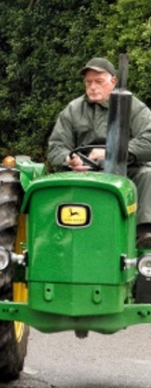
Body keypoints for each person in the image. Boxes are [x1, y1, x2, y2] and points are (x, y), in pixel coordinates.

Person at [47, 57, 151, 247]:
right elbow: (56, 145)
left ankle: (144, 235)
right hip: (85, 172)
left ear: (113, 81)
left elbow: (149, 140)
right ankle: (54, 238)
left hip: (127, 171)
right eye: (89, 82)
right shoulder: (73, 110)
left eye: (99, 81)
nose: (93, 87)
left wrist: (112, 153)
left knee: (147, 174)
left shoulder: (134, 108)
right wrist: (69, 159)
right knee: (50, 185)